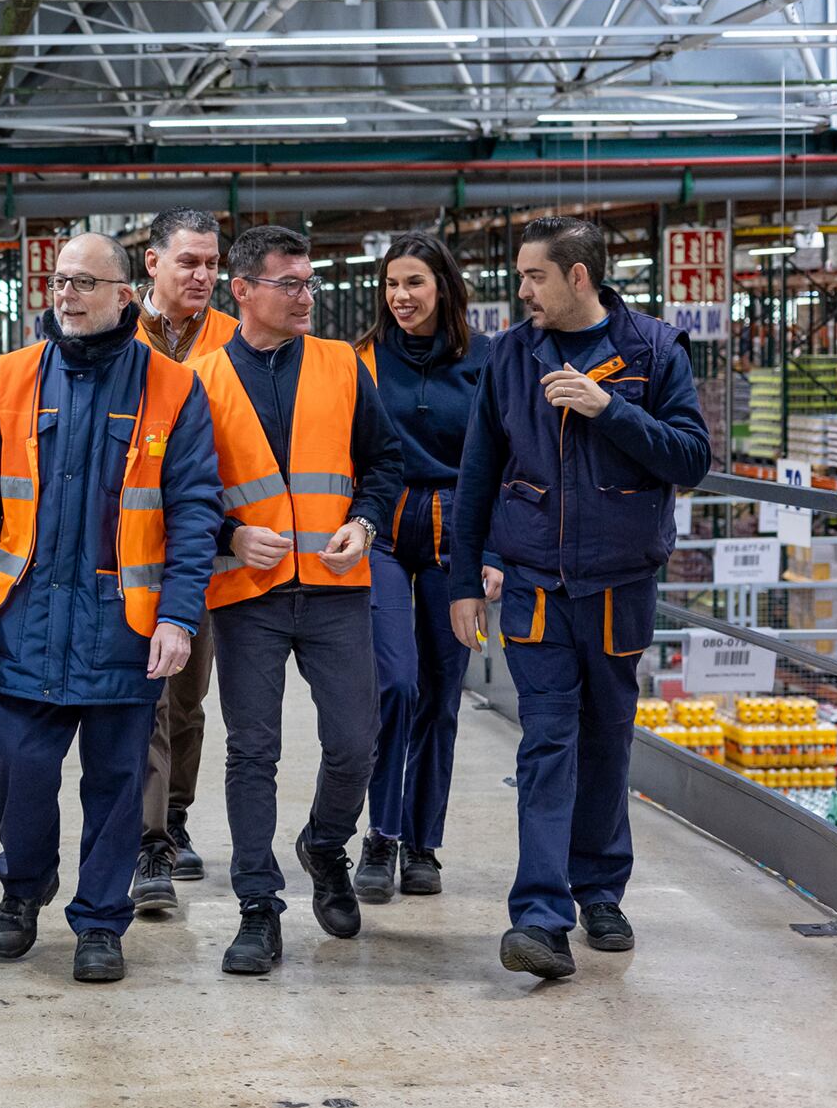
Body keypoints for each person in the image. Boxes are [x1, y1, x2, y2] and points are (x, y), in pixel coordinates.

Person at [449, 217, 709, 980]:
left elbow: (691, 457)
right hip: (535, 586)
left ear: (580, 277)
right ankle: (539, 915)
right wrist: (465, 582)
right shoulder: (510, 356)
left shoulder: (655, 351)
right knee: (548, 743)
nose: (521, 291)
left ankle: (600, 890)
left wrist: (610, 409)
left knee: (605, 742)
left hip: (619, 586)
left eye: (534, 277)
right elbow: (477, 476)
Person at [0, 233, 219, 984]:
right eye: (61, 282)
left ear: (123, 296)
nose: (66, 295)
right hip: (25, 617)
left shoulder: (172, 389)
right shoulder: (9, 378)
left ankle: (102, 921)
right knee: (19, 767)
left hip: (124, 623)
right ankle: (24, 883)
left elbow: (195, 510)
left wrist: (177, 614)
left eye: (84, 283)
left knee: (116, 784)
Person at [187, 225, 403, 975]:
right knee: (253, 750)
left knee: (354, 740)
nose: (307, 296)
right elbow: (178, 492)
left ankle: (325, 843)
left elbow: (384, 461)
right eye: (291, 284)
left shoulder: (343, 366)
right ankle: (257, 907)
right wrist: (229, 534)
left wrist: (367, 521)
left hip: (337, 588)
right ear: (242, 291)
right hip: (248, 594)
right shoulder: (200, 379)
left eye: (309, 283)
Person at [349, 233, 494, 904]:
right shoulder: (363, 360)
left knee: (441, 694)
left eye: (413, 283)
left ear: (443, 286)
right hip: (380, 525)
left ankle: (422, 844)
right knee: (396, 684)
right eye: (391, 285)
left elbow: (502, 460)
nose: (400, 297)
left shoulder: (484, 363)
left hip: (453, 533)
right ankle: (379, 832)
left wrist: (492, 555)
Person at [129, 206, 235, 909]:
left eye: (211, 263)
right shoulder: (115, 333)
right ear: (152, 263)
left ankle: (178, 818)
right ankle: (149, 844)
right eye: (189, 262)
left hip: (210, 551)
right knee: (149, 703)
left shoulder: (236, 337)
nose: (203, 275)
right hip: (132, 551)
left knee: (190, 701)